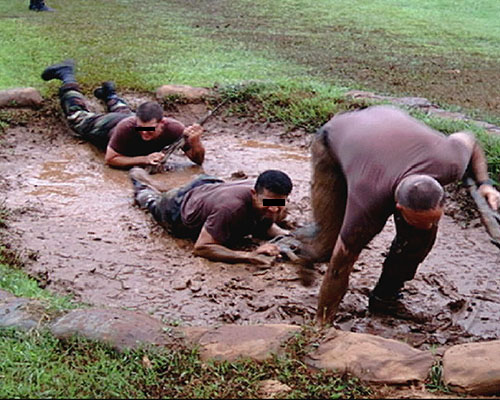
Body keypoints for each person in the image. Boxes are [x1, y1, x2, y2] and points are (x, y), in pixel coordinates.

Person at [305, 105, 500, 324]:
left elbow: (470, 140)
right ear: (398, 207)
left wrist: (485, 184)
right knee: (328, 245)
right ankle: (295, 247)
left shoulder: (450, 162)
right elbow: (340, 267)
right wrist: (321, 325)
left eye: (432, 219)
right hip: (333, 143)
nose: (426, 226)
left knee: (418, 240)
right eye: (418, 220)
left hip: (385, 130)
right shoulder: (367, 201)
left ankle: (385, 299)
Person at [41, 59, 205, 168]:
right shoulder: (128, 127)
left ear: (162, 124)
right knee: (77, 117)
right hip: (108, 126)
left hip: (126, 117)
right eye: (140, 128)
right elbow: (111, 159)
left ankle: (109, 94)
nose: (144, 133)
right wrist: (144, 159)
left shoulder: (175, 129)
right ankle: (66, 74)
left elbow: (197, 161)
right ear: (136, 122)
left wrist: (195, 142)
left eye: (150, 130)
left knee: (124, 112)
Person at [129, 167, 293, 265]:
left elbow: (264, 226)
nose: (274, 209)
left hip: (208, 185)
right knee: (150, 200)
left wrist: (287, 236)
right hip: (177, 208)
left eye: (280, 203)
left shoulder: (270, 199)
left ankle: (163, 186)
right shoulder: (230, 209)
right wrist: (248, 256)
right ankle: (142, 184)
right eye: (268, 203)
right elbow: (201, 248)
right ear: (254, 194)